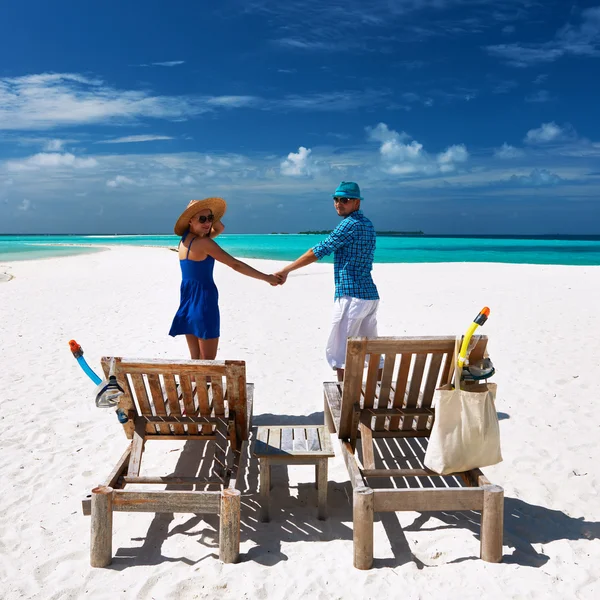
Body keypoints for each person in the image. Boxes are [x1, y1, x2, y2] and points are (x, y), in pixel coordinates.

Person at [275, 182, 380, 381]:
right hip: (369, 296)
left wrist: (286, 270)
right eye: (336, 199)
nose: (339, 204)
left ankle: (345, 401)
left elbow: (319, 250)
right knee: (372, 350)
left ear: (356, 202)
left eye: (345, 200)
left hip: (352, 296)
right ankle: (381, 396)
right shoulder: (367, 224)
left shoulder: (349, 224)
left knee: (341, 354)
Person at [169, 197, 281, 360]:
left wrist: (203, 211)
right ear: (190, 221)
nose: (208, 223)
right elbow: (236, 265)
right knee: (208, 364)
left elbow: (219, 227)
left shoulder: (186, 240)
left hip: (187, 299)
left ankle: (194, 385)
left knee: (196, 360)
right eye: (202, 219)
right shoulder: (204, 243)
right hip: (204, 301)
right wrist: (267, 277)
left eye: (210, 218)